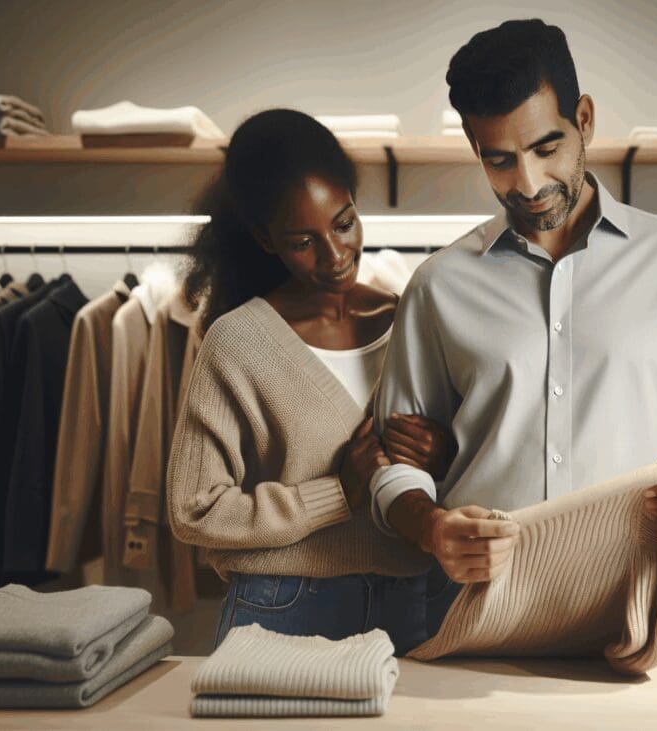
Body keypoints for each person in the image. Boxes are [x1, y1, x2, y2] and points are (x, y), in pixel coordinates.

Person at [370, 19, 657, 658]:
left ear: (584, 119)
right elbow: (394, 462)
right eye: (499, 160)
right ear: (475, 147)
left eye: (546, 147)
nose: (528, 183)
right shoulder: (437, 285)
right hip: (481, 612)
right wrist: (431, 528)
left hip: (649, 603)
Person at [168, 109, 455, 654]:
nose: (335, 255)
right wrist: (333, 493)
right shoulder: (236, 342)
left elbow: (484, 466)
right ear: (265, 239)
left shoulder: (414, 321)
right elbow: (194, 510)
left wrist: (444, 455)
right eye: (303, 241)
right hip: (283, 604)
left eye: (344, 224)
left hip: (417, 602)